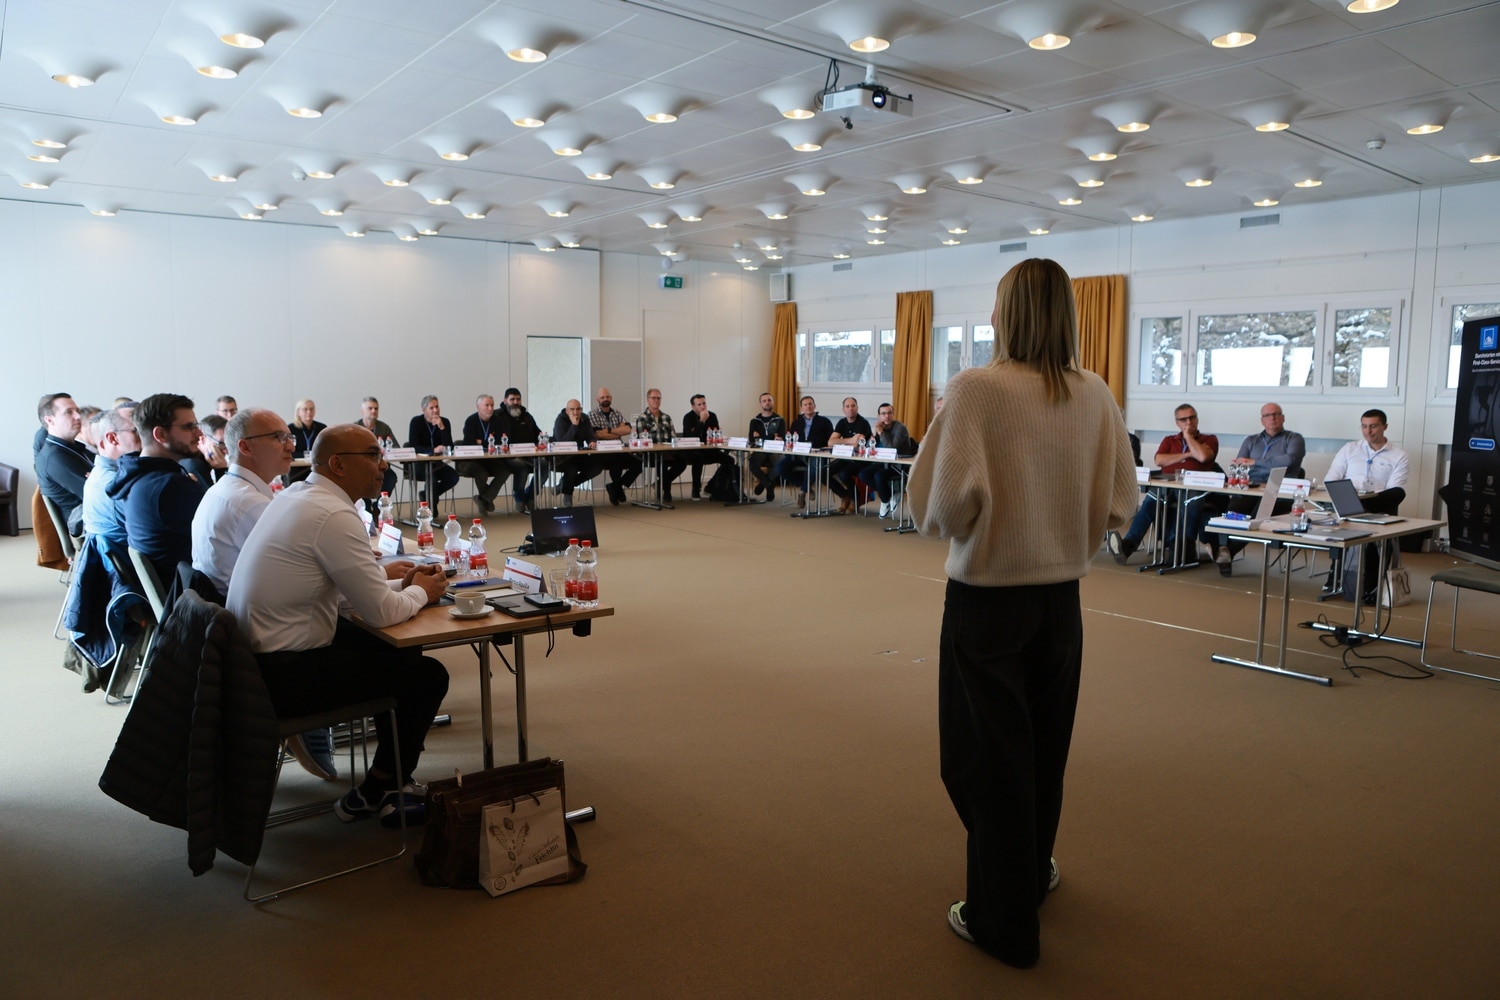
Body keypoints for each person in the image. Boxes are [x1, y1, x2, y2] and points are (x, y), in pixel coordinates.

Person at [910, 258, 1138, 969]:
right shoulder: (1094, 391)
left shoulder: (976, 389)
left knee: (980, 760)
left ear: (1006, 314)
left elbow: (941, 509)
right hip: (1061, 602)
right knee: (1041, 749)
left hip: (987, 600)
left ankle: (1002, 921)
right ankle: (1030, 871)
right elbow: (1121, 505)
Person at [226, 424, 451, 822]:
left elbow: (341, 592)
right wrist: (422, 593)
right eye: (372, 455)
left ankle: (389, 781)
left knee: (395, 652)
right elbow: (381, 613)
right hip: (282, 677)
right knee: (427, 676)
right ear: (338, 465)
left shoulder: (298, 494)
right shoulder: (332, 513)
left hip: (253, 666)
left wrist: (405, 585)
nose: (383, 465)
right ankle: (380, 786)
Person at [107, 393, 208, 585]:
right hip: (193, 592)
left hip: (178, 586)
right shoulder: (169, 486)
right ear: (160, 434)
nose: (199, 434)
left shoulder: (137, 477)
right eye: (189, 427)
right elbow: (226, 530)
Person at [1106, 404, 1219, 564]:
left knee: (1191, 502)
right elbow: (1159, 460)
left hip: (1195, 486)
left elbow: (1202, 457)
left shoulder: (1210, 439)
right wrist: (1188, 454)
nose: (1188, 422)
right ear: (1177, 423)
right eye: (1183, 419)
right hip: (1167, 483)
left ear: (1197, 419)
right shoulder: (1169, 440)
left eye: (1192, 418)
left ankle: (1182, 548)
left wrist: (1188, 437)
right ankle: (1128, 545)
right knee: (1149, 502)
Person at [1208, 403, 1307, 574]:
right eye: (1267, 415)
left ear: (1283, 417)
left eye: (1276, 414)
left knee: (1257, 517)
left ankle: (1226, 551)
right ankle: (1224, 550)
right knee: (1233, 512)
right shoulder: (1251, 440)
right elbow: (1240, 463)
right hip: (1251, 486)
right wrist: (1260, 465)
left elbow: (1289, 460)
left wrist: (1255, 463)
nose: (1272, 418)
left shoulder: (1294, 439)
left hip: (1279, 489)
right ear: (1262, 420)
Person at [1327, 409, 1410, 601]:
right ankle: (1336, 578)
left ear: (1384, 427)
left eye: (1373, 426)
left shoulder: (1398, 455)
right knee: (1344, 511)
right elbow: (1331, 478)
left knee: (1397, 494)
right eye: (1364, 426)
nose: (1368, 431)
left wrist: (1367, 501)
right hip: (1348, 502)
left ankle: (1371, 586)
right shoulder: (1349, 449)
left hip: (1379, 505)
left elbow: (1394, 489)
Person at [34, 392, 93, 535]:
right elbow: (96, 494)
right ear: (50, 420)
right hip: (87, 524)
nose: (78, 416)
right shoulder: (54, 458)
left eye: (77, 411)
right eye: (68, 412)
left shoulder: (72, 447)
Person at [81, 403, 139, 548]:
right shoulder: (117, 486)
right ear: (112, 439)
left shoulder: (101, 475)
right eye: (137, 431)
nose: (146, 435)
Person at [771, 396, 833, 509]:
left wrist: (826, 447)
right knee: (780, 468)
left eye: (810, 404)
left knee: (815, 466)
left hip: (817, 454)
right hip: (799, 454)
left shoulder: (824, 422)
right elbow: (791, 439)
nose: (808, 406)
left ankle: (802, 492)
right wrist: (782, 440)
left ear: (814, 406)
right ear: (801, 408)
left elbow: (831, 440)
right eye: (805, 405)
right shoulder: (796, 423)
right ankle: (806, 487)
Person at [857, 402, 915, 518]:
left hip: (899, 464)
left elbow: (892, 448)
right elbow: (870, 447)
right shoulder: (880, 427)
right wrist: (875, 435)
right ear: (879, 416)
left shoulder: (900, 428)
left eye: (889, 413)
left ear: (893, 414)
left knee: (879, 476)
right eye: (883, 414)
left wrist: (881, 433)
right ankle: (890, 494)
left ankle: (884, 501)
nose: (887, 416)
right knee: (863, 474)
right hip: (884, 462)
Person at [405, 394, 460, 511]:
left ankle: (426, 496)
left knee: (453, 477)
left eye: (437, 407)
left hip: (436, 464)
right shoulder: (416, 422)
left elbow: (450, 447)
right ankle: (431, 509)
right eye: (431, 408)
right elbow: (413, 446)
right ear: (424, 410)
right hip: (419, 464)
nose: (435, 410)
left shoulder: (444, 422)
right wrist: (432, 450)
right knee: (432, 480)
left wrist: (442, 428)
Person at [589, 386, 640, 505]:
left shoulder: (617, 413)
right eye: (602, 397)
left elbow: (627, 429)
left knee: (639, 464)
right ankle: (617, 488)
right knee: (616, 463)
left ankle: (615, 486)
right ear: (597, 399)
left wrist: (608, 430)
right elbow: (597, 434)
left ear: (611, 398)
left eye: (607, 397)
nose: (605, 399)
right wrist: (617, 431)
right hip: (602, 452)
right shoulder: (592, 414)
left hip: (619, 449)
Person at [634, 388, 686, 504]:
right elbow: (643, 438)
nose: (656, 401)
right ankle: (667, 491)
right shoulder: (642, 418)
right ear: (648, 400)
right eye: (653, 398)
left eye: (658, 398)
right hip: (651, 453)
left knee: (682, 462)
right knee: (661, 462)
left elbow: (673, 437)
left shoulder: (667, 417)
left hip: (667, 451)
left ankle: (659, 484)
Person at [457, 393, 506, 514]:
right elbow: (469, 443)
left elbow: (500, 441)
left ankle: (484, 498)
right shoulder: (471, 421)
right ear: (478, 407)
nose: (490, 408)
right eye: (487, 405)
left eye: (492, 405)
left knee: (504, 471)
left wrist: (480, 442)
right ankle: (486, 499)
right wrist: (486, 442)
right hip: (470, 460)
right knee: (481, 472)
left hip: (489, 459)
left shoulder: (497, 420)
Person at [680, 394, 734, 500]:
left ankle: (712, 486)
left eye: (704, 403)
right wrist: (702, 421)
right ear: (693, 407)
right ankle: (696, 489)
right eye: (699, 404)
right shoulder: (688, 417)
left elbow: (715, 433)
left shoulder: (712, 416)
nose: (703, 406)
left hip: (709, 450)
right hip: (692, 451)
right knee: (697, 458)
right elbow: (692, 437)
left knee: (729, 460)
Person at [496, 388, 542, 512]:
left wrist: (542, 439)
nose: (515, 402)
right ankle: (520, 499)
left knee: (544, 465)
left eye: (518, 399)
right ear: (505, 401)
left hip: (529, 454)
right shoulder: (498, 416)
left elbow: (538, 433)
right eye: (512, 399)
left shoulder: (526, 416)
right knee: (522, 466)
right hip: (508, 456)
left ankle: (531, 496)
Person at [828, 397, 874, 514]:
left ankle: (855, 498)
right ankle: (844, 495)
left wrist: (842, 441)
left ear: (857, 408)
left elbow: (857, 444)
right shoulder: (841, 422)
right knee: (824, 472)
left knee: (844, 473)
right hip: (845, 457)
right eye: (847, 406)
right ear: (843, 410)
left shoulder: (863, 423)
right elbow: (831, 442)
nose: (851, 409)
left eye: (853, 406)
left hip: (860, 459)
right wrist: (850, 440)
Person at [550, 399, 600, 505]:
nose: (575, 412)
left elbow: (590, 436)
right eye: (572, 409)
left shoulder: (585, 419)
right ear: (567, 410)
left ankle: (564, 485)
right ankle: (567, 494)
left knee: (596, 467)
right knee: (572, 469)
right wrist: (574, 425)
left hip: (579, 454)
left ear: (581, 409)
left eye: (578, 409)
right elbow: (563, 443)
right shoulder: (560, 420)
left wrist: (592, 442)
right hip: (563, 456)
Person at [356, 395, 399, 499]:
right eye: (370, 408)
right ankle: (366, 506)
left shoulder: (384, 427)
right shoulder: (355, 428)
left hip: (381, 466)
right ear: (362, 411)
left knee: (391, 477)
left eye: (376, 408)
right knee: (359, 478)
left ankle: (380, 504)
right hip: (362, 468)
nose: (373, 411)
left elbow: (396, 447)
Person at [747, 392, 786, 500]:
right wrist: (771, 438)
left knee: (782, 463)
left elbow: (782, 438)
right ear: (760, 404)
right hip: (760, 450)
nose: (767, 402)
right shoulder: (754, 421)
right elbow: (752, 439)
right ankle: (769, 484)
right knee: (752, 463)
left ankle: (763, 483)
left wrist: (761, 437)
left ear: (773, 402)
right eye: (764, 401)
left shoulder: (780, 420)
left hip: (775, 450)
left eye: (769, 400)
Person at [179, 413, 228, 486]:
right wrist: (221, 469)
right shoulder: (194, 466)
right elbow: (222, 493)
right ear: (202, 439)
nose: (226, 451)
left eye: (228, 444)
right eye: (221, 444)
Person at [286, 398, 325, 484]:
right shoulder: (290, 429)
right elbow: (288, 451)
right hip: (296, 470)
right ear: (298, 412)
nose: (309, 412)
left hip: (316, 469)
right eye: (305, 409)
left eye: (311, 409)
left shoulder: (322, 428)